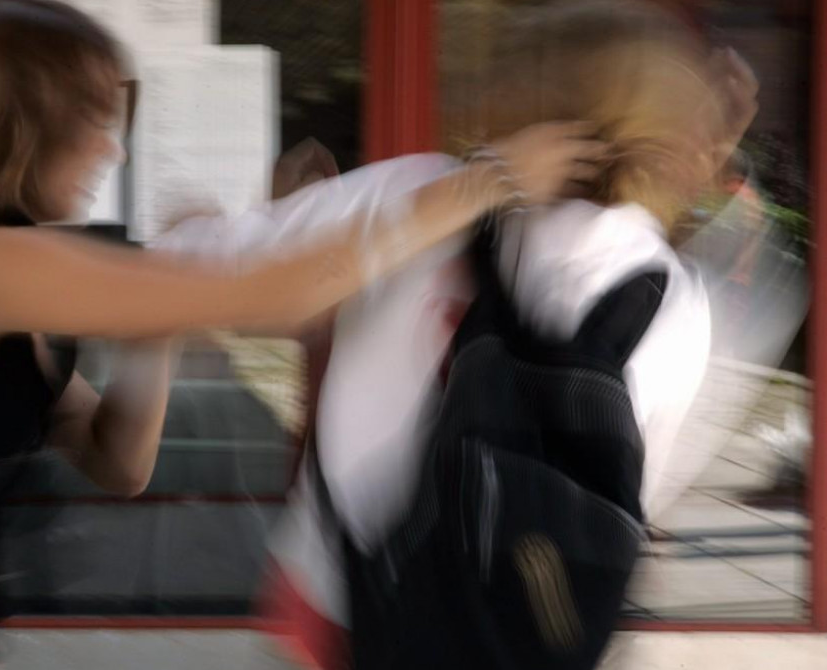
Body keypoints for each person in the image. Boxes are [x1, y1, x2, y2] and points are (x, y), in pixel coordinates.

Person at [0, 1, 603, 669]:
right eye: (97, 122)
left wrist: (160, 312)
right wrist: (486, 182)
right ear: (27, 121)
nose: (115, 153)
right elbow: (274, 291)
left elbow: (117, 459)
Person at [157, 2, 760, 667]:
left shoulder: (420, 194)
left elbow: (197, 270)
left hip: (342, 607)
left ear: (517, 98)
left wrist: (203, 221)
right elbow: (631, 490)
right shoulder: (676, 304)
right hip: (514, 634)